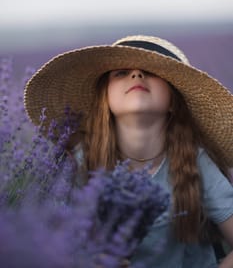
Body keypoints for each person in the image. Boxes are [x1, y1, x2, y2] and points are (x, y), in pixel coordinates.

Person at [24, 35, 233, 267]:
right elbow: (50, 247)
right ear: (105, 97)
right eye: (121, 73)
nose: (136, 75)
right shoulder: (78, 161)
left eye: (151, 72)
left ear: (173, 101)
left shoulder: (194, 159)